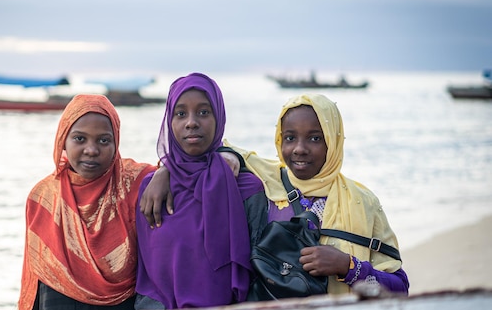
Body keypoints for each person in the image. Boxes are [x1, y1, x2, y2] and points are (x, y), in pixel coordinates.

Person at [141, 93, 409, 295]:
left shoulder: (363, 202)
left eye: (315, 138)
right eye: (290, 138)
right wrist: (164, 170)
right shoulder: (264, 178)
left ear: (334, 139)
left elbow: (399, 287)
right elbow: (205, 152)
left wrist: (348, 267)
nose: (299, 149)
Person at [17, 94, 158, 310]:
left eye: (103, 141)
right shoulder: (43, 197)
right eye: (79, 139)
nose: (91, 150)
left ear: (116, 142)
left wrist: (164, 173)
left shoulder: (135, 183)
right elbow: (36, 276)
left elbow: (185, 167)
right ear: (63, 140)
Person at [134, 73, 266, 310]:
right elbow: (147, 273)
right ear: (169, 120)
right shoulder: (152, 189)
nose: (191, 122)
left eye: (204, 112)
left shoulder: (245, 188)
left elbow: (259, 266)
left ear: (219, 118)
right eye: (180, 113)